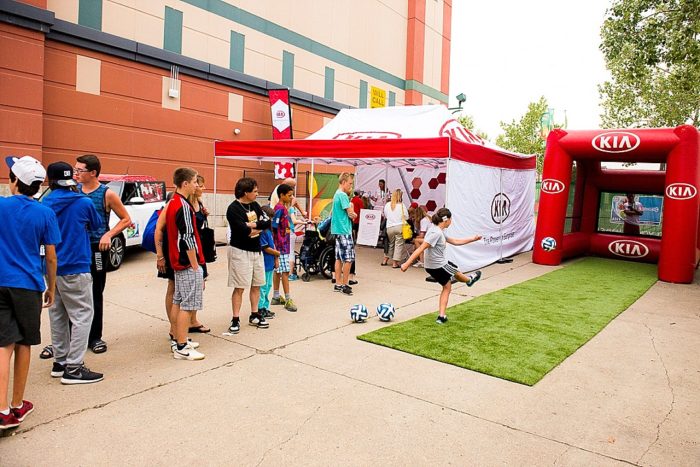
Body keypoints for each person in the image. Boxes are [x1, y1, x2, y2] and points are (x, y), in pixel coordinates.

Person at [0, 156, 60, 430]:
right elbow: (50, 257)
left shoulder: (0, 206)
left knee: (3, 344)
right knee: (24, 343)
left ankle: (1, 411)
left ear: (15, 182)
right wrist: (51, 287)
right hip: (28, 285)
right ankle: (17, 404)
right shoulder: (44, 213)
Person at [42, 162, 104, 384]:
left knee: (57, 314)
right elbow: (98, 225)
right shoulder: (83, 202)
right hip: (76, 265)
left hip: (50, 268)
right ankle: (74, 368)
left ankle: (60, 362)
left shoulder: (44, 203)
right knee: (82, 315)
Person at [74, 154, 131, 354]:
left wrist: (108, 234)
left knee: (95, 293)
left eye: (80, 170)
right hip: (75, 250)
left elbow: (126, 219)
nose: (76, 174)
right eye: (75, 169)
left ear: (93, 173)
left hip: (97, 249)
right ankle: (72, 337)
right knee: (74, 295)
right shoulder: (74, 191)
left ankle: (95, 337)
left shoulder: (106, 194)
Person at [401, 207, 483, 324]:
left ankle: (441, 317)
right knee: (454, 270)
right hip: (438, 265)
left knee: (447, 285)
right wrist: (406, 264)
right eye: (451, 219)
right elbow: (421, 248)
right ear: (446, 220)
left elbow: (455, 241)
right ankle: (469, 280)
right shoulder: (436, 233)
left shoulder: (438, 231)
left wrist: (473, 239)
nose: (451, 221)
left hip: (432, 266)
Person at [165, 168, 206, 361]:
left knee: (178, 301)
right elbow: (188, 238)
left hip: (178, 261)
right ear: (185, 183)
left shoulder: (174, 202)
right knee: (187, 305)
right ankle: (181, 346)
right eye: (195, 181)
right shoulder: (182, 205)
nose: (197, 185)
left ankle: (178, 339)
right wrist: (195, 265)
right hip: (186, 262)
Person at [226, 177, 271, 333]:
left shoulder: (255, 205)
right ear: (246, 192)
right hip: (240, 251)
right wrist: (255, 227)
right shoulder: (233, 209)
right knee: (239, 287)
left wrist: (252, 225)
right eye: (255, 191)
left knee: (257, 284)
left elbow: (267, 223)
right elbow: (241, 231)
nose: (257, 194)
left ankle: (255, 314)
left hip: (256, 250)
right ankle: (235, 319)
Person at [187, 174, 211, 333]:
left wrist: (205, 214)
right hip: (189, 248)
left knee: (199, 284)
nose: (203, 188)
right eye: (200, 185)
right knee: (185, 287)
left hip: (200, 246)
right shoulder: (184, 204)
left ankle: (193, 320)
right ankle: (181, 323)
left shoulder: (199, 202)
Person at [270, 184, 298, 312]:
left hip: (282, 245)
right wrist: (276, 245)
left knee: (278, 271)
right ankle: (288, 299)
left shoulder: (283, 209)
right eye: (289, 195)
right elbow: (274, 227)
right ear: (281, 195)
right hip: (281, 246)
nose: (291, 197)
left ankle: (276, 296)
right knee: (285, 272)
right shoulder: (280, 209)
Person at [331, 173, 357, 295]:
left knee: (338, 258)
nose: (351, 186)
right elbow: (350, 214)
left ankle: (338, 283)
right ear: (344, 182)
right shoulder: (342, 195)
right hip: (344, 230)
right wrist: (354, 212)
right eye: (350, 183)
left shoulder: (336, 194)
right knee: (348, 258)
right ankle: (345, 284)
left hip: (337, 230)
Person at [258, 206, 280, 320]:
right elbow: (266, 248)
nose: (271, 221)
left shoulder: (269, 232)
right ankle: (260, 308)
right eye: (269, 218)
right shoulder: (262, 232)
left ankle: (265, 307)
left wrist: (276, 258)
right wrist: (277, 253)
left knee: (268, 286)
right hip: (264, 263)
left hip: (270, 263)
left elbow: (273, 245)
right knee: (263, 287)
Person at [382, 189, 409, 268]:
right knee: (398, 245)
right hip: (400, 226)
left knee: (390, 244)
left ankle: (385, 260)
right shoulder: (402, 205)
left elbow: (386, 216)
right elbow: (406, 217)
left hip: (389, 227)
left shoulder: (387, 205)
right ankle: (395, 263)